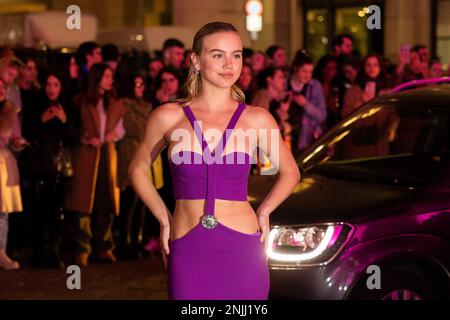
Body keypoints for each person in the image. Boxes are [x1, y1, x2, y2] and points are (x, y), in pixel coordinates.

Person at [129, 21, 300, 300]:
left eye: (236, 55)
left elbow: (291, 172)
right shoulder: (169, 116)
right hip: (187, 245)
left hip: (242, 246)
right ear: (196, 60)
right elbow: (137, 169)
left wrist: (265, 211)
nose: (229, 64)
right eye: (218, 55)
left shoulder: (256, 118)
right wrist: (163, 218)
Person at [64, 63, 125, 267]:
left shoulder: (115, 103)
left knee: (105, 201)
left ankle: (104, 246)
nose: (110, 80)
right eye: (106, 76)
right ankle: (83, 248)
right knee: (83, 202)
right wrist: (85, 138)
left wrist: (113, 134)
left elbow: (120, 127)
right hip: (86, 156)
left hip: (108, 155)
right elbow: (72, 128)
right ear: (97, 78)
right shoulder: (81, 102)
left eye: (111, 76)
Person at [0, 76, 28, 270]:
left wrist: (17, 143)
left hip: (3, 163)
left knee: (2, 212)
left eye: (3, 87)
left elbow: (14, 137)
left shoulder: (11, 111)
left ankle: (1, 252)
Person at [288, 55, 327, 151]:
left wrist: (305, 104)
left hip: (307, 138)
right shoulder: (284, 83)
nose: (308, 75)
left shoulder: (314, 86)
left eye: (310, 72)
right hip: (287, 134)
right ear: (295, 70)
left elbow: (322, 116)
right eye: (304, 71)